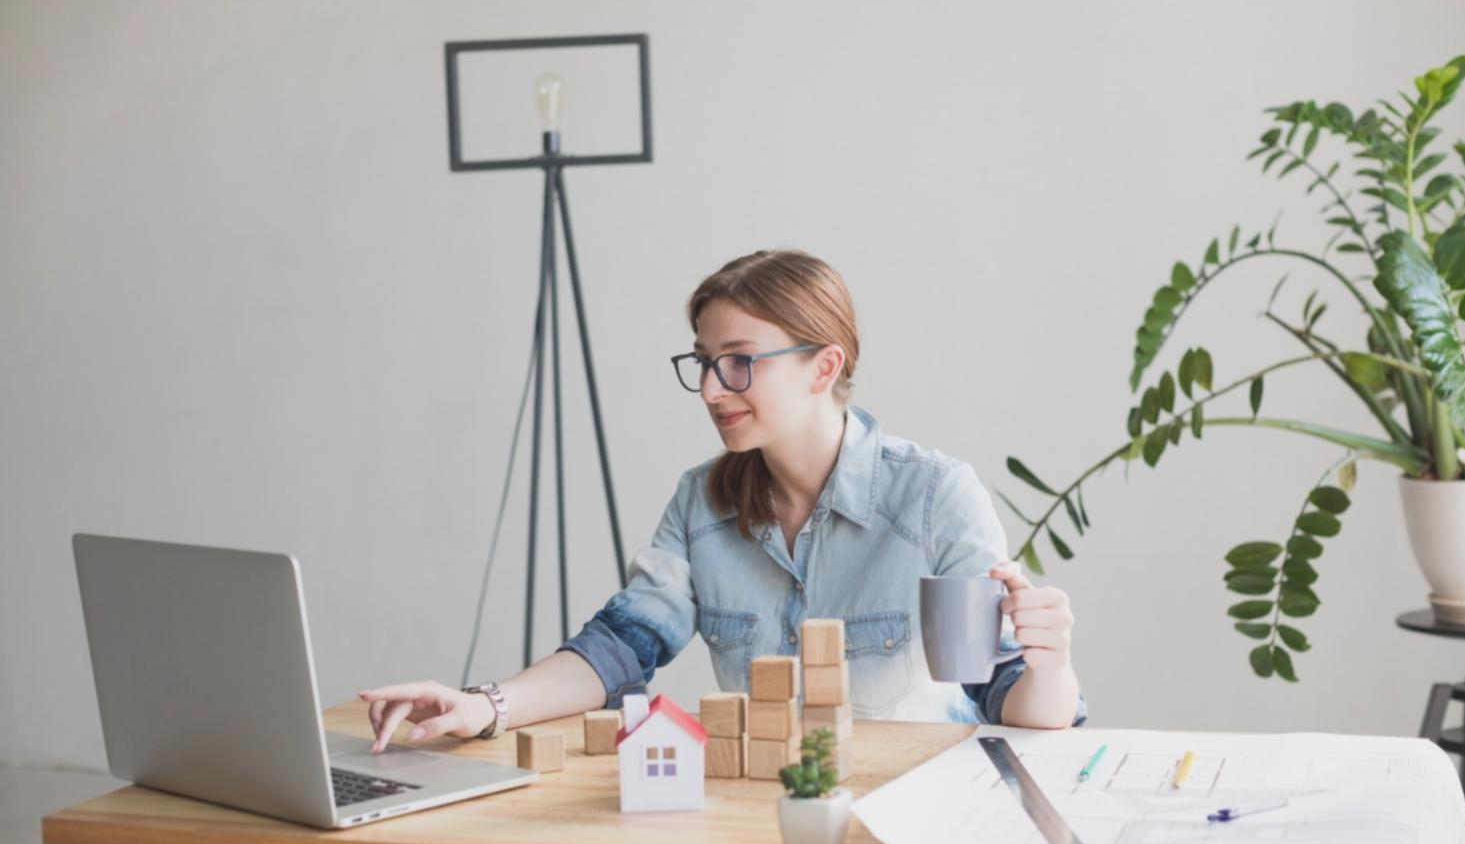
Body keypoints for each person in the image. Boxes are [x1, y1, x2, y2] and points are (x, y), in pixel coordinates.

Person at [361, 249, 1085, 752]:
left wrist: (1049, 663)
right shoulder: (701, 501)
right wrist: (482, 706)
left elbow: (1013, 700)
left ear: (822, 365)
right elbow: (618, 648)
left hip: (912, 830)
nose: (711, 389)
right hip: (765, 828)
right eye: (704, 363)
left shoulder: (932, 496)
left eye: (738, 362)